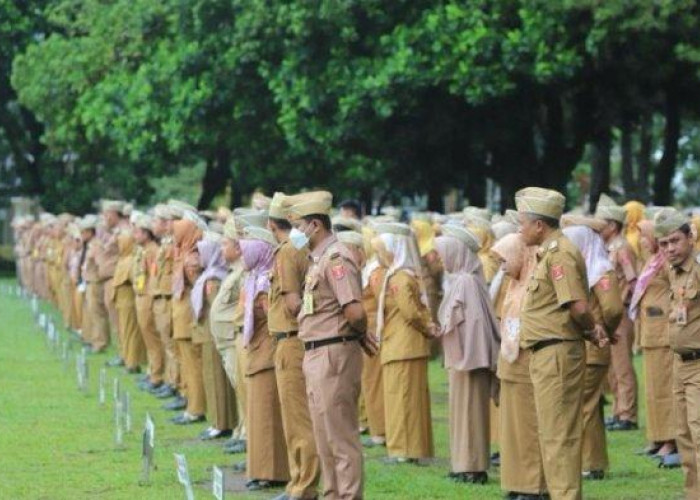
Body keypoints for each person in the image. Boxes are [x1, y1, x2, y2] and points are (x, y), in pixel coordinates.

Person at [516, 187, 608, 500]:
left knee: (560, 435)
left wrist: (593, 329)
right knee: (553, 433)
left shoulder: (560, 255)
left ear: (539, 226)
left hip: (557, 352)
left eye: (522, 222)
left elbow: (579, 306)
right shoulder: (550, 252)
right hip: (548, 351)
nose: (520, 229)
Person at [288, 191, 371, 500]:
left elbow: (354, 311)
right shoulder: (318, 259)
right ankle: (332, 494)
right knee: (324, 436)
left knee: (340, 436)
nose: (295, 233)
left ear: (315, 225)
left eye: (298, 226)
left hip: (334, 351)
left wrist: (358, 334)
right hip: (317, 351)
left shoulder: (336, 258)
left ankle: (349, 495)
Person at [434, 225, 500, 484]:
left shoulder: (466, 282)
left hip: (469, 361)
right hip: (463, 359)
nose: (441, 260)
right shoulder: (465, 279)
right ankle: (463, 464)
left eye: (444, 254)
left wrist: (468, 358)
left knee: (470, 413)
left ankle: (472, 468)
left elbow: (473, 327)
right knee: (462, 413)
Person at [266, 192, 320, 500]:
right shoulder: (300, 247)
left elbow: (291, 302)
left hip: (291, 340)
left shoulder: (288, 251)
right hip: (296, 340)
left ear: (272, 225)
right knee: (300, 417)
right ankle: (299, 482)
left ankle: (303, 486)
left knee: (298, 419)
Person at [562, 219, 624, 481]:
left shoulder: (600, 270)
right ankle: (593, 461)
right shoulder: (586, 269)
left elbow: (613, 309)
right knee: (589, 405)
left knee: (584, 405)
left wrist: (604, 330)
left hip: (593, 349)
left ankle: (589, 463)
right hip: (586, 347)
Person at [373, 222, 434, 465]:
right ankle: (405, 448)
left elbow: (410, 311)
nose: (381, 255)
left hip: (403, 347)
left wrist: (427, 325)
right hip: (402, 345)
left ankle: (403, 450)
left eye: (384, 250)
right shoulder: (400, 275)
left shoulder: (400, 277)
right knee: (403, 398)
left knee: (403, 399)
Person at [491, 233, 546, 499]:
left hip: (527, 366)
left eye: (505, 259)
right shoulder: (514, 284)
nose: (501, 265)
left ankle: (533, 486)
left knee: (529, 427)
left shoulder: (533, 284)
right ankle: (516, 482)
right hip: (510, 365)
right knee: (512, 430)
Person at [239, 231, 290, 491]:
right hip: (258, 354)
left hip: (267, 354)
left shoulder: (264, 284)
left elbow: (274, 320)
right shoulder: (254, 279)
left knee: (267, 415)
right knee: (258, 415)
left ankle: (272, 471)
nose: (241, 256)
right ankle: (260, 469)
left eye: (246, 250)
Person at [654, 207, 700, 498]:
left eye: (675, 241)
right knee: (684, 437)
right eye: (663, 244)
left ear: (691, 238)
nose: (669, 249)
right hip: (679, 364)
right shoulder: (672, 272)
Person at [629, 219, 677, 461]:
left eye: (645, 236)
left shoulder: (667, 262)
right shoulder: (651, 260)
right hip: (651, 333)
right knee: (653, 389)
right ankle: (657, 437)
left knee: (665, 388)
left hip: (665, 334)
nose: (642, 241)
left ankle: (671, 440)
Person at [595, 194, 639, 431]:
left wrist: (624, 304)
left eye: (600, 222)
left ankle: (628, 415)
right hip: (611, 313)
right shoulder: (610, 246)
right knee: (612, 366)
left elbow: (633, 280)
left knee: (622, 366)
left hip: (620, 313)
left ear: (612, 225)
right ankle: (618, 410)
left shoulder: (622, 247)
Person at [191, 234, 237, 441]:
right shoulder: (209, 274)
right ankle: (217, 420)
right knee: (211, 378)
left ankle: (221, 423)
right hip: (208, 333)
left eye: (202, 252)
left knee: (216, 379)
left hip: (213, 335)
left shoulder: (214, 278)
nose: (198, 256)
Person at [211, 218, 247, 454]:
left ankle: (245, 434)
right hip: (226, 340)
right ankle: (240, 430)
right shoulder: (234, 271)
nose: (221, 249)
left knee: (243, 390)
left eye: (225, 244)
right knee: (238, 389)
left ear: (237, 247)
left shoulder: (244, 272)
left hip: (235, 338)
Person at [170, 214, 206, 425]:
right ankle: (191, 405)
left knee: (193, 366)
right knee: (187, 364)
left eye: (177, 231)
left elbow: (197, 290)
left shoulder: (192, 257)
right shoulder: (183, 252)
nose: (173, 235)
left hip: (188, 316)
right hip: (181, 315)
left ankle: (196, 408)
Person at [132, 214, 166, 392]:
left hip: (147, 296)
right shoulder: (143, 250)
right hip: (141, 294)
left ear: (147, 234)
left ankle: (157, 375)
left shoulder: (153, 250)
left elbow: (153, 276)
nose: (135, 235)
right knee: (147, 337)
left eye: (138, 232)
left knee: (152, 338)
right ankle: (152, 371)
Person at [112, 224, 146, 373]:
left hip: (129, 303)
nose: (119, 245)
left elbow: (136, 281)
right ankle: (126, 358)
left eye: (121, 242)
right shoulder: (123, 259)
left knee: (131, 333)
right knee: (125, 332)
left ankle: (132, 362)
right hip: (121, 302)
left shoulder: (131, 260)